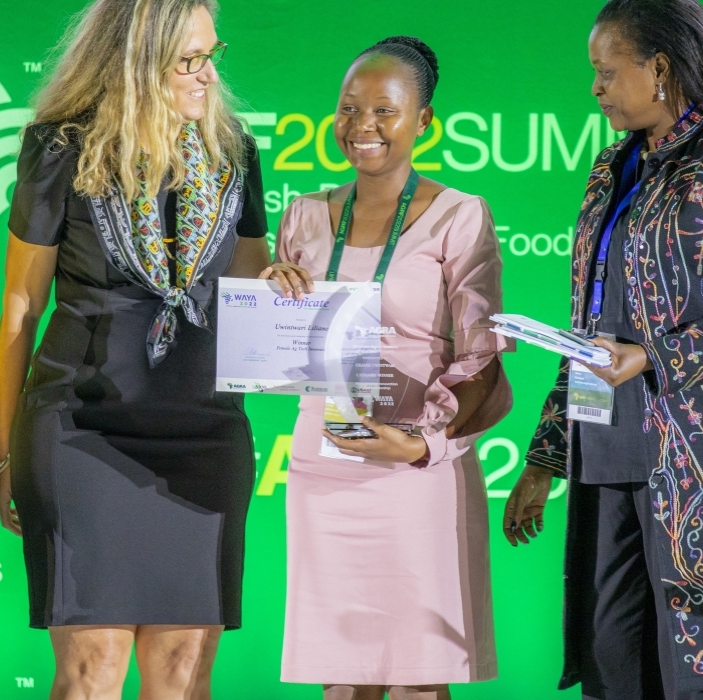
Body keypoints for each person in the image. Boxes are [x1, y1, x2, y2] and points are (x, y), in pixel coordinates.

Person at [503, 1, 703, 699]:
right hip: (608, 454)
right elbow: (589, 327)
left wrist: (652, 358)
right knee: (611, 663)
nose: (595, 88)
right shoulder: (610, 170)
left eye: (606, 71)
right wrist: (546, 458)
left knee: (691, 677)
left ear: (660, 69)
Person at [0, 0, 272, 697]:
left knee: (183, 676)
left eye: (212, 54)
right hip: (81, 431)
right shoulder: (60, 147)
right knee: (92, 672)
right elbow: (22, 309)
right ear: (136, 60)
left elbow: (247, 289)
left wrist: (285, 290)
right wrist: (4, 455)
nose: (207, 74)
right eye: (188, 59)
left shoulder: (232, 150)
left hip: (204, 434)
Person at [266, 36, 513, 700]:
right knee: (342, 682)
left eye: (384, 110)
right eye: (348, 109)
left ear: (424, 121)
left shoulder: (460, 216)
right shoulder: (303, 216)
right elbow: (279, 348)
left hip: (416, 470)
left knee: (417, 682)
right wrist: (271, 293)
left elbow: (481, 357)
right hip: (325, 465)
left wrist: (422, 443)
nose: (362, 127)